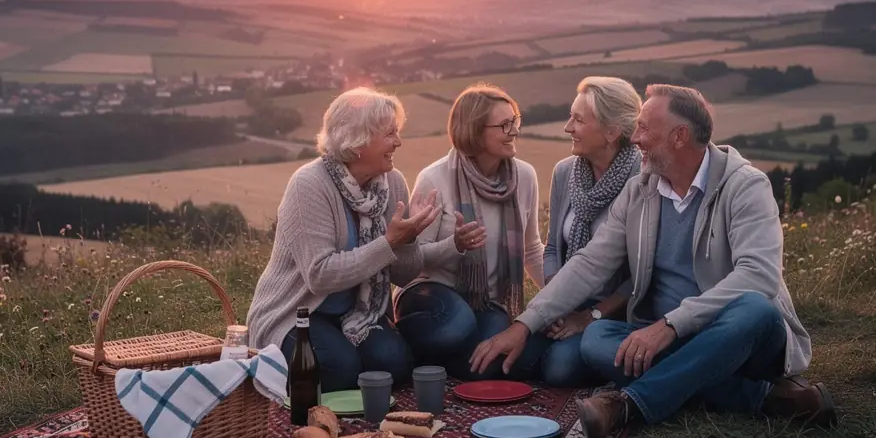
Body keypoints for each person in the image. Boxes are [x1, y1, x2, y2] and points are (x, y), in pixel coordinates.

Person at [470, 84, 836, 438]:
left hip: (736, 337)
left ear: (679, 136)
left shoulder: (745, 186)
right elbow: (590, 262)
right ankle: (768, 398)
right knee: (597, 338)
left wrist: (670, 326)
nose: (635, 138)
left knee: (755, 308)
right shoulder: (641, 190)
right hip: (667, 338)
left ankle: (626, 404)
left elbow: (758, 277)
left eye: (645, 128)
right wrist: (524, 324)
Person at [247, 87, 440, 392]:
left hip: (358, 314)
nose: (398, 142)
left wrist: (408, 239)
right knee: (341, 369)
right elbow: (319, 276)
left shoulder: (393, 183)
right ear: (358, 139)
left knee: (395, 364)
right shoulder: (309, 185)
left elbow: (405, 275)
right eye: (390, 134)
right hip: (299, 313)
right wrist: (388, 244)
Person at [394, 84, 551, 379]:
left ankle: (433, 366)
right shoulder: (434, 178)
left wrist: (560, 301)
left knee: (487, 364)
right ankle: (396, 344)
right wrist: (455, 245)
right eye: (504, 125)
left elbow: (531, 250)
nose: (514, 131)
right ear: (474, 132)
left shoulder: (524, 177)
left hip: (486, 302)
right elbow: (416, 259)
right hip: (428, 295)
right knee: (458, 325)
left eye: (515, 120)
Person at [541, 77, 642, 386]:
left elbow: (641, 277)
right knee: (515, 358)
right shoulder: (565, 172)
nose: (567, 127)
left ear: (612, 132)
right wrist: (559, 303)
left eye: (578, 119)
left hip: (615, 313)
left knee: (558, 370)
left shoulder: (642, 178)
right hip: (566, 301)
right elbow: (552, 250)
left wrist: (590, 316)